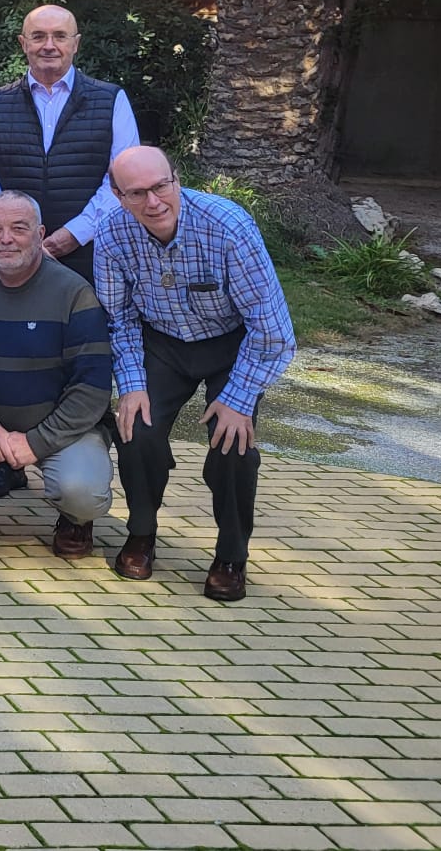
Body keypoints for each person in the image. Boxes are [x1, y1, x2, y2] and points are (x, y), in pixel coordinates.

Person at [99, 147, 296, 604]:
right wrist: (130, 385)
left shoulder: (229, 226)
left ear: (176, 178)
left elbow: (272, 330)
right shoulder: (111, 233)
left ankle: (231, 555)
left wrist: (240, 399)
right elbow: (120, 318)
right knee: (136, 428)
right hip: (161, 341)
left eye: (161, 186)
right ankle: (142, 533)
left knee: (233, 442)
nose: (153, 202)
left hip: (234, 343)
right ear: (118, 195)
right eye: (137, 193)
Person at [0, 193, 114, 556]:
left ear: (40, 233)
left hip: (59, 428)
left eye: (19, 229)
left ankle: (75, 519)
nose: (5, 239)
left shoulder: (75, 293)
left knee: (83, 493)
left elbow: (91, 390)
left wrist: (35, 443)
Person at [0, 4, 140, 282]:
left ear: (76, 44)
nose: (49, 45)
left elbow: (125, 180)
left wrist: (76, 233)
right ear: (23, 44)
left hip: (94, 253)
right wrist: (14, 234)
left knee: (87, 324)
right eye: (38, 36)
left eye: (60, 36)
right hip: (15, 256)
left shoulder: (111, 101)